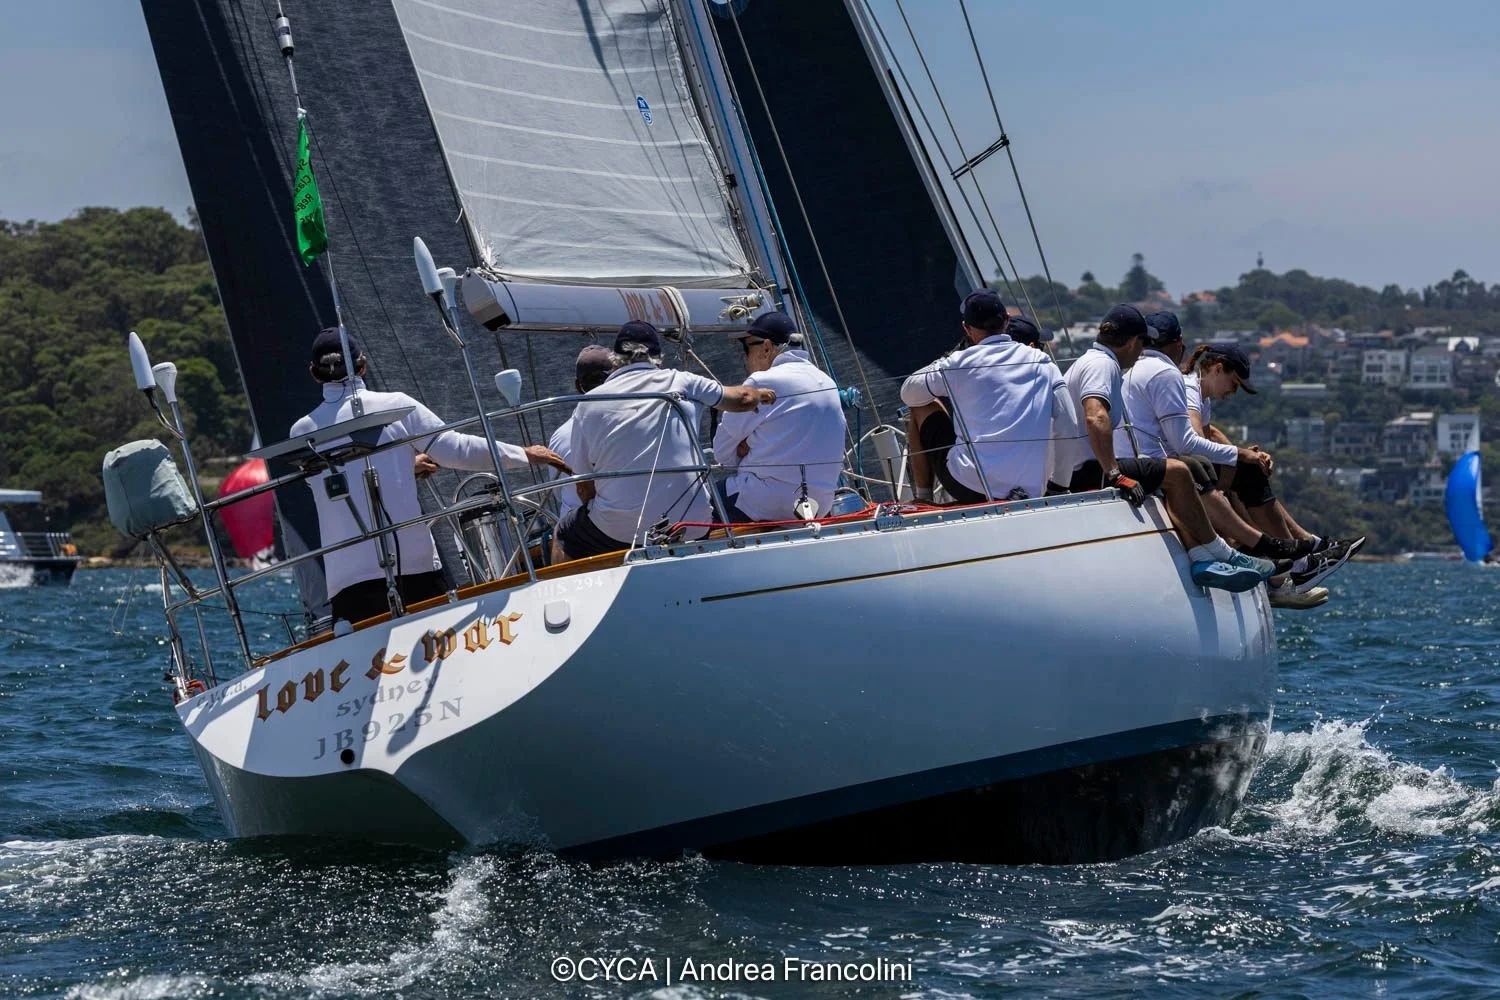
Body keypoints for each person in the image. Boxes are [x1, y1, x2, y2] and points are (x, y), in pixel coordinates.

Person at [291, 328, 567, 624]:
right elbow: (456, 449)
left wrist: (402, 465)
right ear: (363, 366)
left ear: (314, 374)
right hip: (413, 566)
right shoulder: (396, 405)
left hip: (347, 581)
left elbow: (335, 481)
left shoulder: (301, 432)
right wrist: (523, 453)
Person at [1057, 304, 1277, 592]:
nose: (1144, 351)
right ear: (1133, 342)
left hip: (1076, 468)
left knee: (1173, 470)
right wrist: (1114, 474)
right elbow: (1096, 416)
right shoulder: (1103, 365)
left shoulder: (1092, 361)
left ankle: (1202, 557)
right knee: (1177, 472)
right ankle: (1226, 553)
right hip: (1087, 470)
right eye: (1143, 343)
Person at [555, 321, 775, 560]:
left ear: (616, 361)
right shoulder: (682, 381)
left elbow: (584, 486)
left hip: (620, 531)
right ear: (659, 359)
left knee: (563, 532)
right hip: (691, 523)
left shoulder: (587, 403)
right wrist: (759, 394)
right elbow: (742, 398)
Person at [901, 289, 1081, 504]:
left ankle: (923, 499)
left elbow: (908, 393)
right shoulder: (1042, 362)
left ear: (966, 328)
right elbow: (1069, 423)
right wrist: (1060, 485)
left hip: (970, 487)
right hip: (1031, 489)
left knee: (922, 404)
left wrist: (947, 360)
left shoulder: (958, 363)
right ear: (1007, 319)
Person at [712, 311, 847, 522]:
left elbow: (722, 455)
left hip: (765, 502)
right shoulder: (827, 382)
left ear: (766, 347)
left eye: (746, 349)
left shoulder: (760, 382)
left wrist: (746, 447)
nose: (745, 359)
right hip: (820, 505)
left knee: (693, 504)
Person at [546, 345, 618, 523]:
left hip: (581, 526)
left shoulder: (559, 436)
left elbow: (558, 492)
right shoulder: (637, 421)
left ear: (578, 386)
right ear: (618, 379)